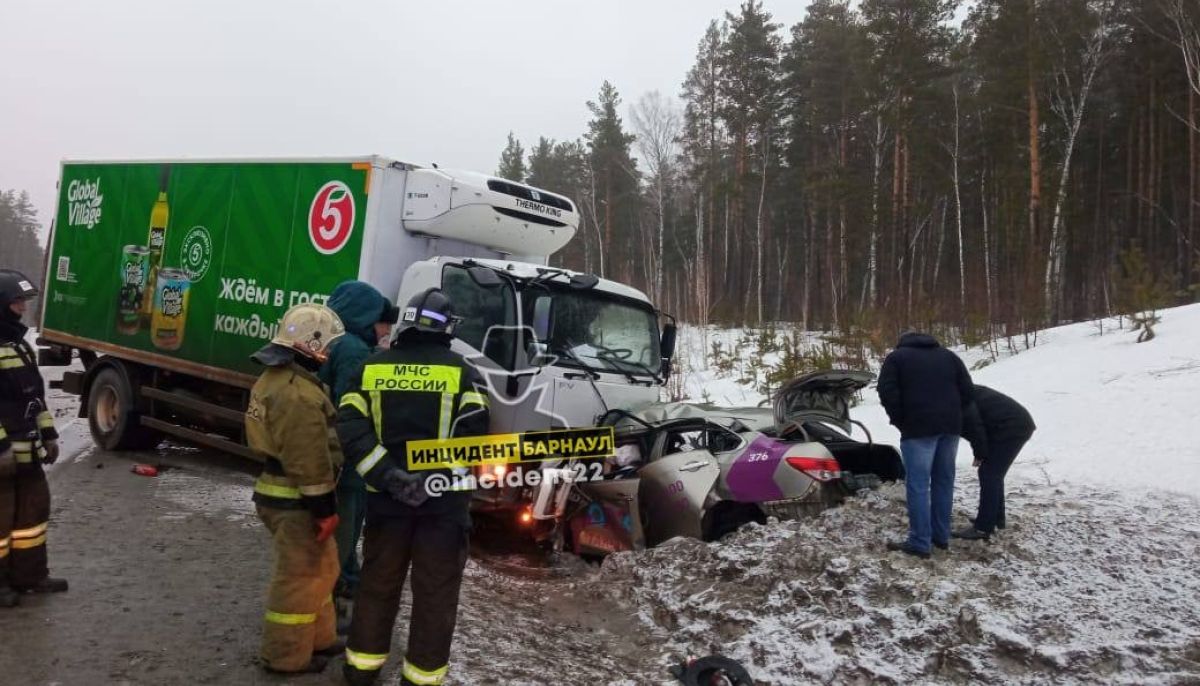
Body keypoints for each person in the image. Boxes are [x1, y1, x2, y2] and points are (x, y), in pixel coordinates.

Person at [337, 288, 490, 686]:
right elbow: (472, 437)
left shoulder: (371, 369)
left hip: (387, 505)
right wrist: (432, 482)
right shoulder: (463, 374)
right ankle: (420, 679)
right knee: (435, 595)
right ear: (447, 329)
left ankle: (361, 669)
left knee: (376, 586)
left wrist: (390, 476)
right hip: (442, 512)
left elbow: (351, 428)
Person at [246, 303, 346, 674]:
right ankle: (285, 657)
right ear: (310, 345)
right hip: (296, 501)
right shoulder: (298, 395)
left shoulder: (276, 379)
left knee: (322, 568)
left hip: (285, 493)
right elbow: (308, 460)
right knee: (300, 576)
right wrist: (325, 510)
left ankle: (319, 638)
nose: (329, 354)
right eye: (327, 347)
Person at [320, 281, 399, 608]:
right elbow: (352, 408)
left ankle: (348, 579)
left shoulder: (341, 342)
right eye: (383, 321)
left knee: (348, 526)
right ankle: (334, 593)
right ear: (365, 317)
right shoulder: (353, 350)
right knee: (347, 527)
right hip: (350, 459)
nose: (386, 329)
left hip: (341, 454)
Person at [0, 269, 68, 608]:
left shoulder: (18, 345)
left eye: (23, 302)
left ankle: (30, 577)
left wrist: (49, 435)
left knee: (32, 516)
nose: (22, 309)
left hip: (28, 453)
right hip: (5, 456)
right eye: (16, 303)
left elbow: (34, 397)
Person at [877, 330, 973, 559]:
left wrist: (900, 420)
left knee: (918, 485)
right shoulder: (949, 357)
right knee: (944, 482)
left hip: (917, 428)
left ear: (902, 342)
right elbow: (968, 391)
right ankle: (940, 536)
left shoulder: (897, 358)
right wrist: (955, 414)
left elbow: (886, 391)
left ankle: (920, 542)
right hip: (950, 427)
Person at [954, 385, 1036, 540]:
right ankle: (996, 519)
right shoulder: (958, 391)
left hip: (1012, 426)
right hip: (1009, 424)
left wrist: (979, 452)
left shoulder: (958, 399)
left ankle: (983, 528)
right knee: (992, 473)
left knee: (989, 474)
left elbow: (974, 427)